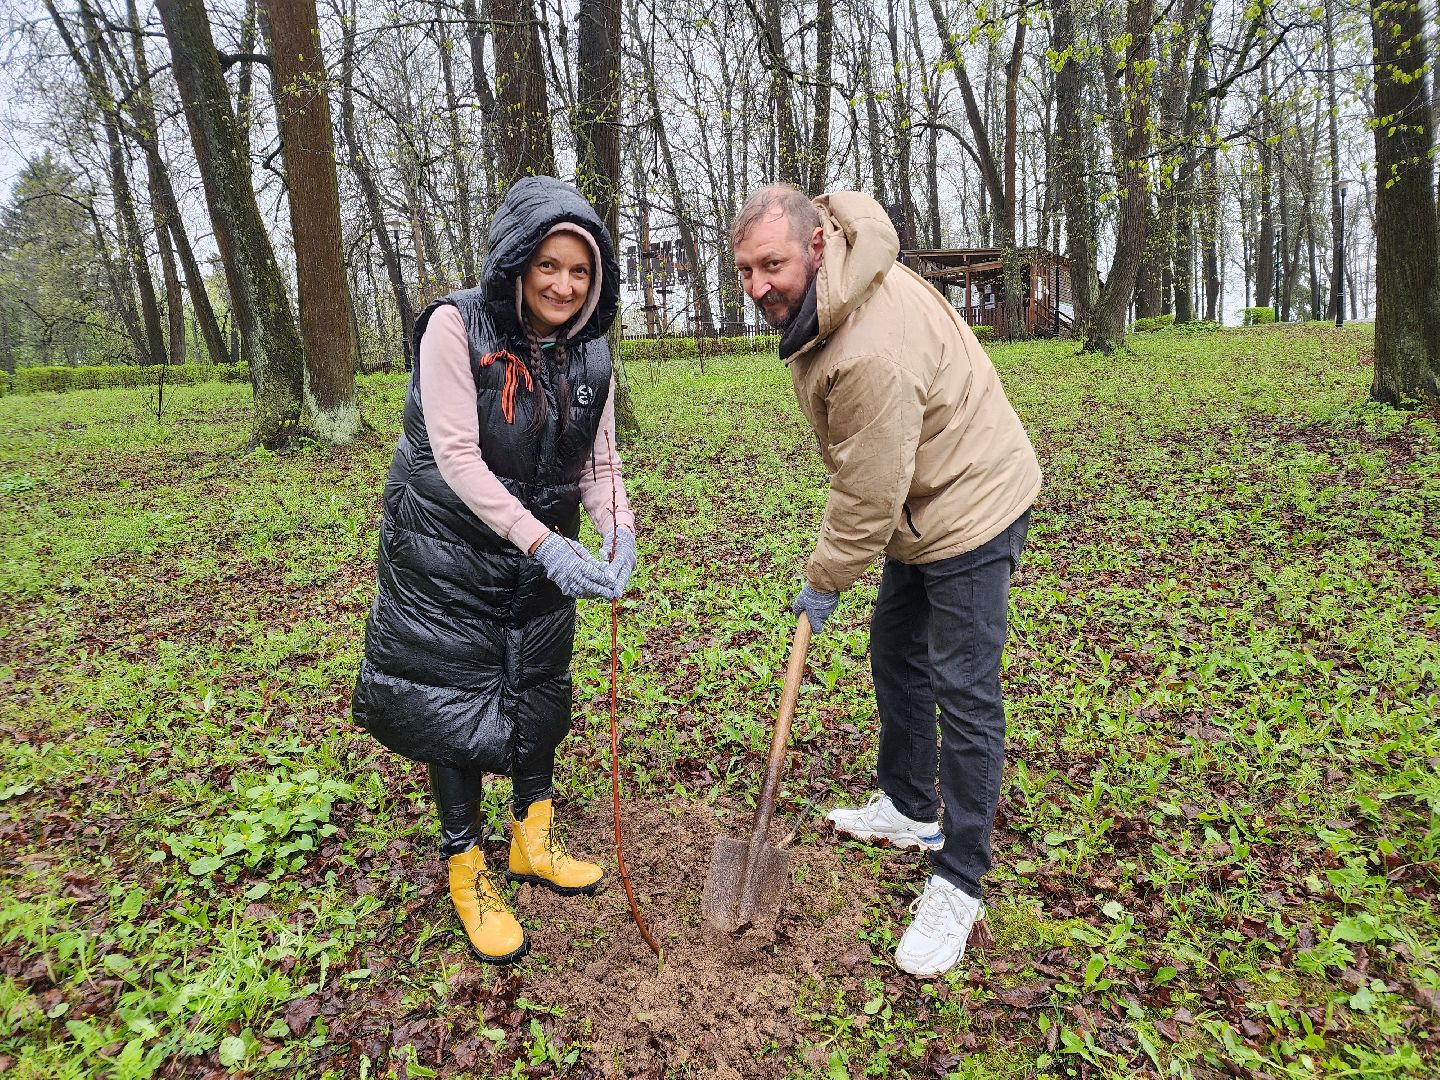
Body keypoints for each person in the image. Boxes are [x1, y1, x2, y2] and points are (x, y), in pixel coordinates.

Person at [731, 184, 1040, 977]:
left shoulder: (869, 347)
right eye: (745, 271)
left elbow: (867, 491)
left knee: (964, 687)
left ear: (817, 245)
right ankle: (908, 804)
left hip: (967, 504)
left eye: (772, 264)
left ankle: (960, 879)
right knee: (896, 647)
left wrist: (824, 577)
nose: (759, 285)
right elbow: (874, 477)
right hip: (920, 493)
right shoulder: (842, 285)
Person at [353, 176, 638, 965]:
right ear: (517, 263)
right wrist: (543, 543)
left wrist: (618, 527)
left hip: (539, 547)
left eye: (580, 271)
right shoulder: (454, 326)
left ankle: (532, 840)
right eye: (549, 265)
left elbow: (601, 458)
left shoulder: (589, 348)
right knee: (455, 699)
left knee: (539, 683)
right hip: (449, 550)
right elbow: (455, 456)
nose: (564, 284)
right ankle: (466, 867)